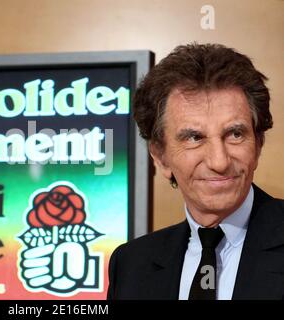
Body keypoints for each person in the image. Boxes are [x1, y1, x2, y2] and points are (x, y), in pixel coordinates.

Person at [107, 43, 284, 300]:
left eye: (235, 134)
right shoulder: (131, 265)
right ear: (160, 156)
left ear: (257, 146)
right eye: (194, 138)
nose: (219, 161)